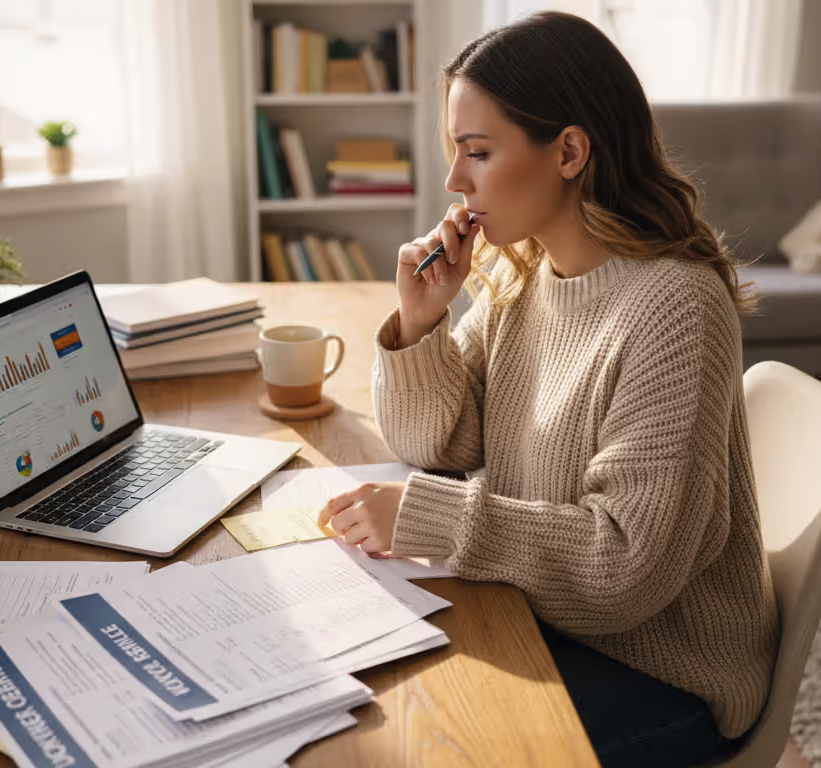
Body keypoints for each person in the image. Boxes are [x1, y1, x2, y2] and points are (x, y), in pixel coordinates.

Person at [316, 11, 779, 768]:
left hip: (660, 672)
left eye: (478, 153)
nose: (454, 182)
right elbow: (438, 442)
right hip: (541, 618)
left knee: (413, 743)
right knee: (360, 702)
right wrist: (421, 322)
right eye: (454, 153)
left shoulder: (675, 309)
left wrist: (429, 518)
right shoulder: (524, 275)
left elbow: (625, 569)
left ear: (568, 151)